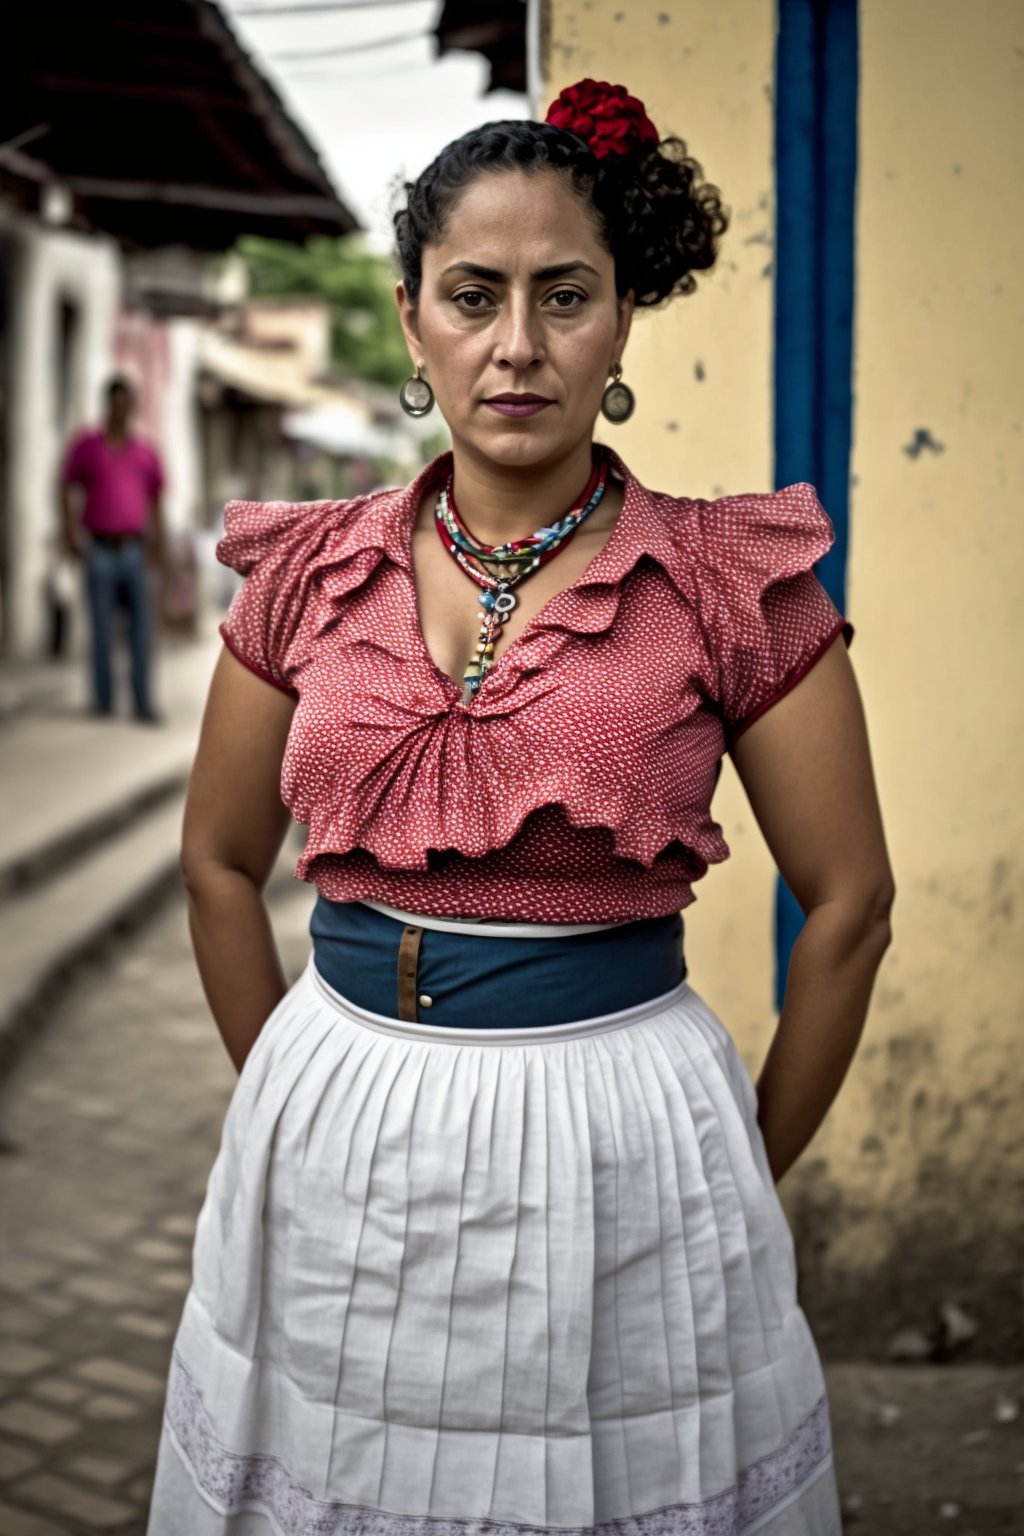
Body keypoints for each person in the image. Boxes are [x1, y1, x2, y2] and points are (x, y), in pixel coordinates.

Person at [147, 79, 894, 1535]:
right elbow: (216, 861)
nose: (517, 346)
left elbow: (852, 902)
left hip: (624, 1125)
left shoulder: (731, 585)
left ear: (621, 323)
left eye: (567, 296)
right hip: (339, 1101)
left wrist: (739, 1157)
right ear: (414, 321)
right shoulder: (308, 572)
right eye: (473, 295)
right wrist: (290, 1102)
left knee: (613, 1485)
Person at [61, 375, 167, 722]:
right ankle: (103, 701)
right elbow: (65, 485)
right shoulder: (87, 445)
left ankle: (142, 701)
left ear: (132, 407)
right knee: (102, 629)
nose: (120, 409)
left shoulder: (145, 452)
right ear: (107, 404)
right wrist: (69, 532)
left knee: (141, 631)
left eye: (126, 403)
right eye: (115, 402)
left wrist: (159, 544)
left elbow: (156, 500)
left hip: (135, 549)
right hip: (100, 548)